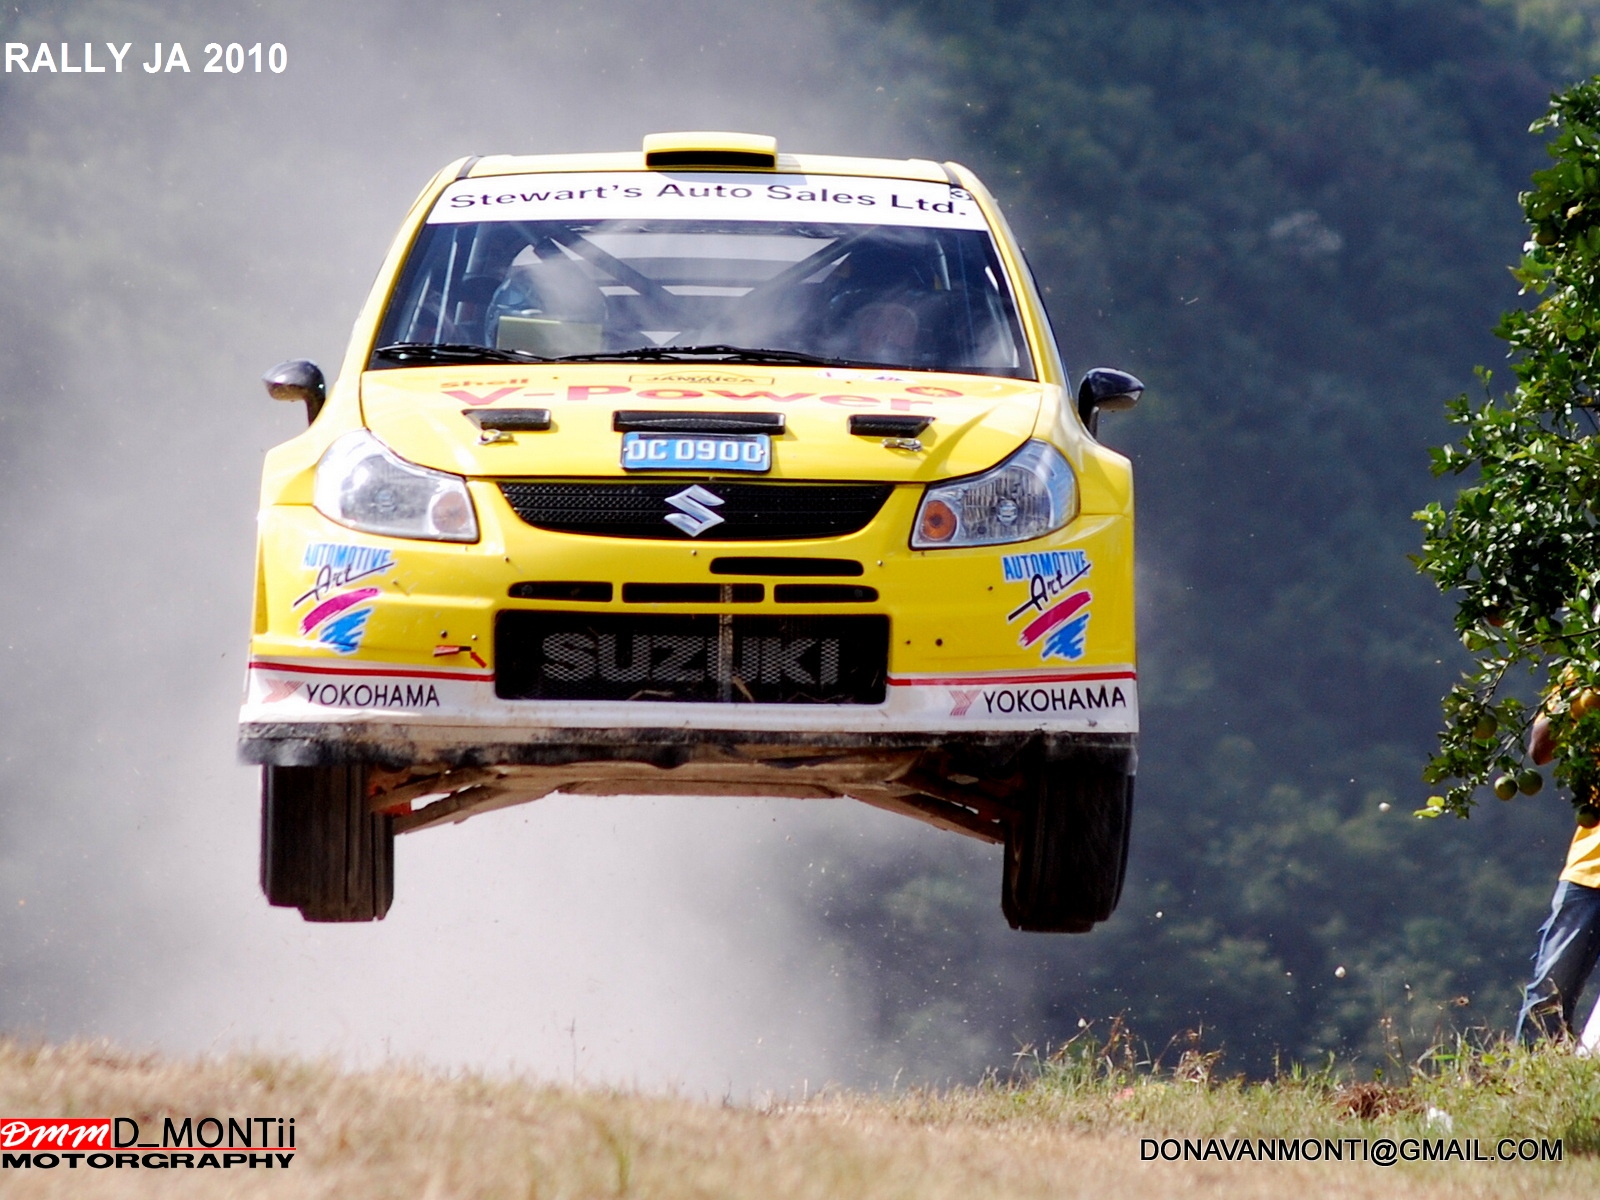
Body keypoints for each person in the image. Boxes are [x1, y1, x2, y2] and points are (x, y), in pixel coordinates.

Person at [1515, 711, 1600, 1042]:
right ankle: (1530, 1072)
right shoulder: (1581, 684)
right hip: (1589, 870)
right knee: (1550, 996)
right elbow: (1540, 750)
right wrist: (1578, 700)